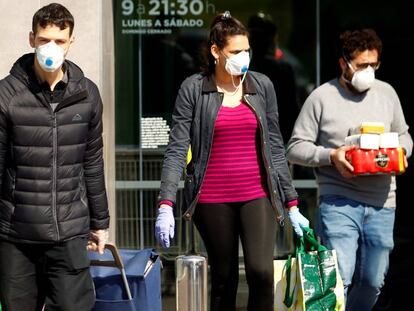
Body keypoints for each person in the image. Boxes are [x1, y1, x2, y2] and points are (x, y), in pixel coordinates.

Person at [155, 11, 309, 311]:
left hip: (258, 193)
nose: (244, 57)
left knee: (261, 273)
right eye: (236, 51)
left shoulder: (261, 86)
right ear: (216, 51)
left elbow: (275, 146)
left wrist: (291, 201)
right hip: (212, 197)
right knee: (224, 277)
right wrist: (166, 203)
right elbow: (176, 149)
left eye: (247, 50)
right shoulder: (194, 89)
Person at [286, 28, 413, 311]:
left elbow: (404, 135)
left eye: (374, 65)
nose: (369, 71)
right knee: (337, 278)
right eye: (362, 65)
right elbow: (295, 148)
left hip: (382, 203)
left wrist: (400, 153)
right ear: (344, 63)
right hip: (338, 201)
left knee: (372, 282)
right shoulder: (321, 97)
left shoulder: (387, 94)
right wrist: (331, 156)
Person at [0, 3, 110, 310]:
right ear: (31, 39)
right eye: (44, 39)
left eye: (59, 41)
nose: (51, 47)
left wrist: (100, 222)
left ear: (71, 42)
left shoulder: (87, 94)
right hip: (16, 234)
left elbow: (91, 161)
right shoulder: (6, 95)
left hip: (70, 232)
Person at [247, 12, 299, 143]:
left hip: (276, 138)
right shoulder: (241, 68)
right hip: (256, 138)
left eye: (261, 35)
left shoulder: (283, 69)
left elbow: (291, 111)